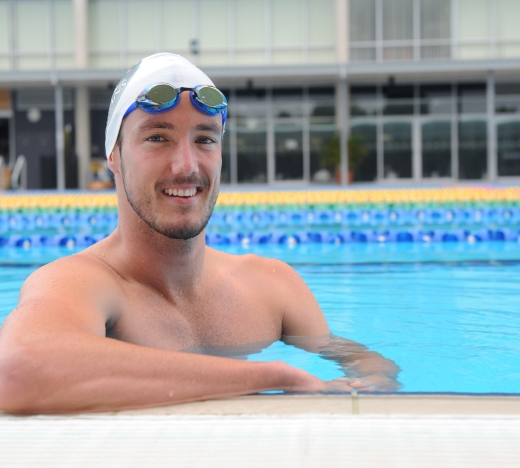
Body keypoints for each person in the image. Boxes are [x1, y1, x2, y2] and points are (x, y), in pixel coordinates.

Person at [0, 53, 399, 414]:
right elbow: (17, 370)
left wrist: (375, 383)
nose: (186, 166)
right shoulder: (80, 282)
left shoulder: (272, 285)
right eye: (158, 137)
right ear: (114, 157)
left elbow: (360, 359)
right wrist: (275, 377)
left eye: (205, 139)